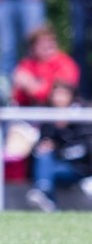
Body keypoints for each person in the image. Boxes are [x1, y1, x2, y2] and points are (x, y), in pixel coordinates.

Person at [25, 80, 92, 212]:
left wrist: (57, 150)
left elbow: (85, 149)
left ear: (71, 96)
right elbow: (36, 150)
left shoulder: (82, 116)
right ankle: (43, 194)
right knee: (44, 157)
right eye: (56, 94)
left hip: (81, 169)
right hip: (58, 167)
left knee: (47, 165)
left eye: (63, 94)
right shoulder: (48, 118)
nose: (59, 98)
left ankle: (43, 194)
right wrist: (41, 148)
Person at [11, 23, 80, 107]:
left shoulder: (65, 63)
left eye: (51, 41)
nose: (47, 45)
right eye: (42, 42)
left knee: (60, 95)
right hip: (30, 110)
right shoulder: (26, 64)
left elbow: (62, 93)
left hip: (58, 112)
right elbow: (18, 95)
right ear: (32, 48)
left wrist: (32, 87)